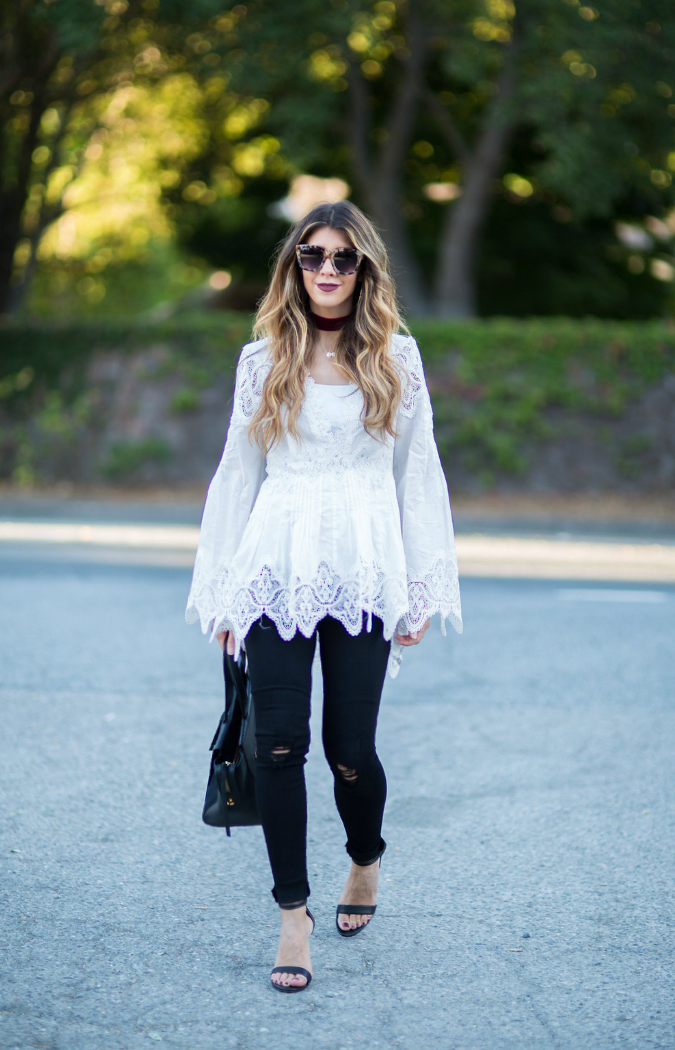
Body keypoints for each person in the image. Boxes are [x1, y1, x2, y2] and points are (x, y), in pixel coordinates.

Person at [186, 200, 462, 991]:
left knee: (349, 751)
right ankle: (291, 916)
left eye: (344, 258)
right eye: (313, 256)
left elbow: (419, 472)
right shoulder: (262, 357)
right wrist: (223, 594)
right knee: (277, 746)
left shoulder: (396, 358)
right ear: (294, 266)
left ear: (366, 268)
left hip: (366, 569)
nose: (329, 271)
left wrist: (418, 589)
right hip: (276, 564)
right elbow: (237, 475)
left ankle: (365, 859)